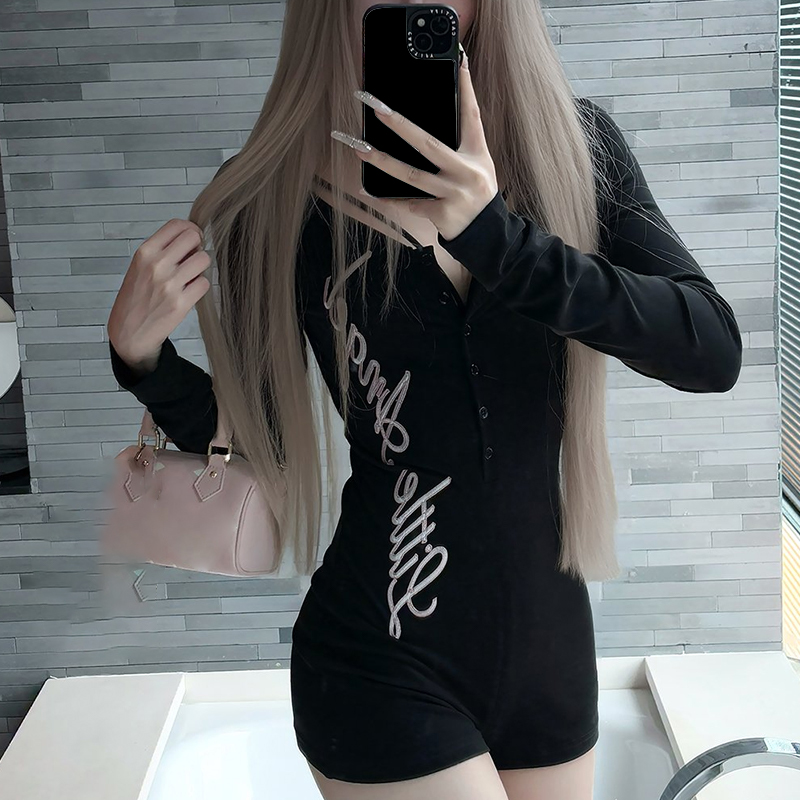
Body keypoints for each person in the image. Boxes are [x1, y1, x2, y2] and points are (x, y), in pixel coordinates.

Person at [106, 1, 743, 798]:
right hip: (377, 653)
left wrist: (494, 237)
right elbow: (264, 443)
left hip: (550, 654)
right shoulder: (273, 196)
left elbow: (710, 349)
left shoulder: (575, 149)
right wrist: (143, 361)